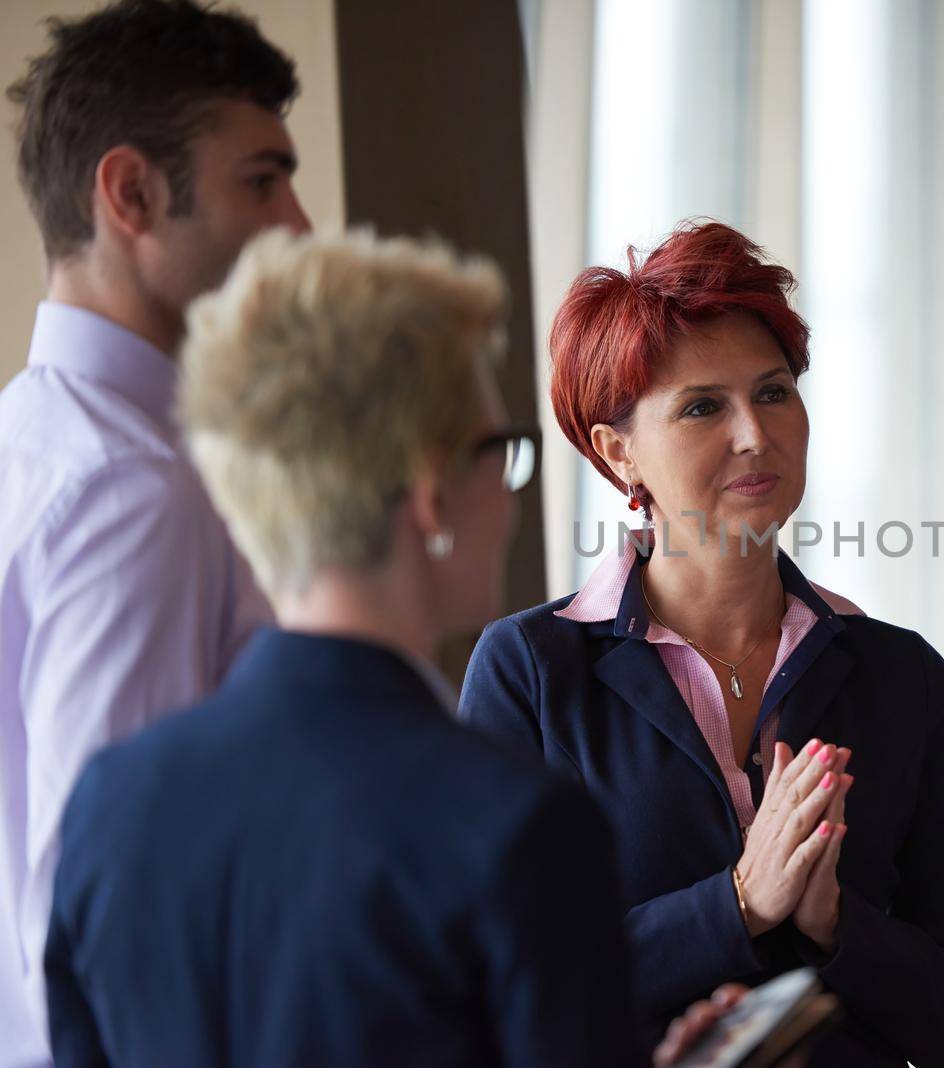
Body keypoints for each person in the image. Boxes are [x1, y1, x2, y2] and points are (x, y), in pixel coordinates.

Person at [42, 229, 638, 1066]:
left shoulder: (111, 805)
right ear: (433, 495)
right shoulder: (516, 829)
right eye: (503, 453)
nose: (507, 501)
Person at [459, 220, 944, 1067]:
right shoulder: (532, 673)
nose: (755, 434)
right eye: (702, 407)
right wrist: (740, 904)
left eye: (774, 391)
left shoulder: (901, 676)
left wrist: (837, 926)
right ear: (619, 453)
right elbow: (502, 991)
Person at [0, 3, 308, 1061]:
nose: (299, 226)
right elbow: (118, 916)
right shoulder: (135, 491)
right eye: (260, 180)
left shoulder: (24, 446)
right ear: (131, 192)